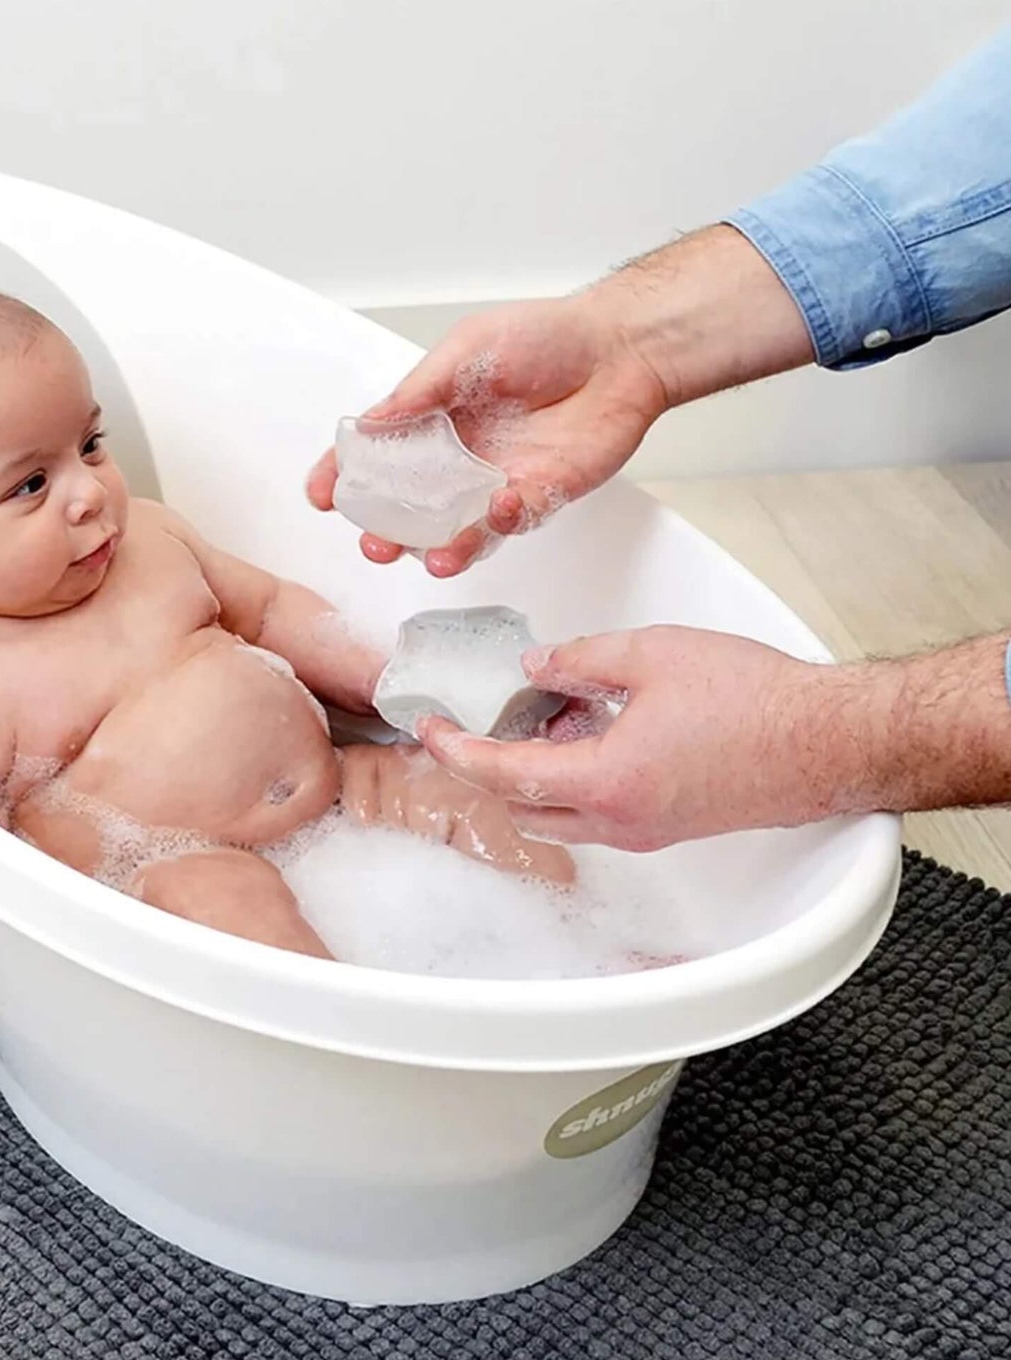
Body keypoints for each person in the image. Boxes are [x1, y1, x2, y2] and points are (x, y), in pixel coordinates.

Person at [308, 25, 1011, 853]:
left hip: (355, 779)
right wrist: (628, 341)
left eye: (104, 442)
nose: (105, 492)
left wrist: (823, 736)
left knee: (506, 837)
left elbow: (286, 620)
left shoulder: (172, 557)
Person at [0, 276, 574, 961]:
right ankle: (358, 1041)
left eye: (90, 444)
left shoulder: (150, 537)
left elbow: (271, 611)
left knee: (484, 803)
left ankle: (578, 953)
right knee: (232, 912)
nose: (88, 493)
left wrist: (389, 683)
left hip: (342, 782)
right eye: (31, 483)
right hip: (176, 867)